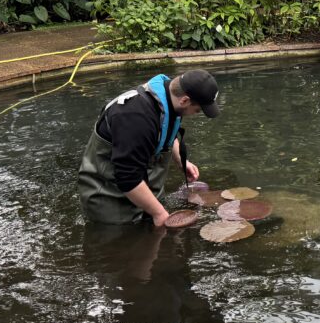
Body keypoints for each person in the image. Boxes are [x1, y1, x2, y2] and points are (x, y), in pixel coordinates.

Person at [78, 69, 220, 226]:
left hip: (138, 185)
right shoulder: (135, 117)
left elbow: (166, 130)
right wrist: (159, 213)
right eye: (197, 110)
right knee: (125, 243)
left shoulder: (170, 96)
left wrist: (181, 159)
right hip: (109, 195)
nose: (196, 114)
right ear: (185, 100)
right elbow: (128, 179)